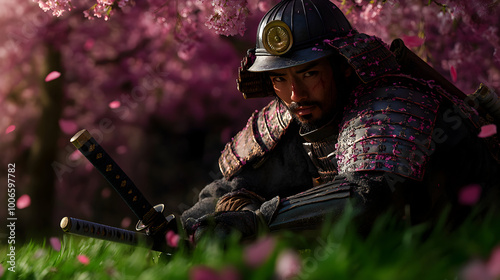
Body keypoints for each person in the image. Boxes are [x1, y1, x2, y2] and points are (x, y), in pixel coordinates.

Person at [180, 0, 500, 241]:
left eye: (309, 73)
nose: (295, 93)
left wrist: (257, 221)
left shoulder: (393, 104)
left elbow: (368, 198)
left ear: (344, 65)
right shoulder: (289, 114)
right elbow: (238, 185)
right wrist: (188, 227)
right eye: (279, 78)